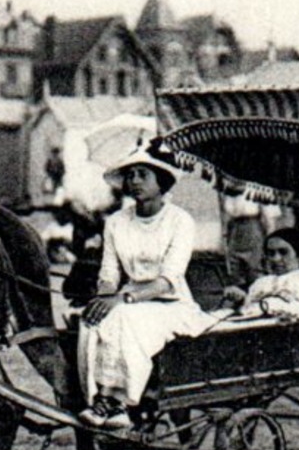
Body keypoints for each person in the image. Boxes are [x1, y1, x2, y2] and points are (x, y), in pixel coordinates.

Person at [77, 145, 211, 429]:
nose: (134, 181)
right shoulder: (116, 222)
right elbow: (109, 272)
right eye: (130, 176)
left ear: (160, 180)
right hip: (128, 301)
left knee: (126, 317)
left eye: (142, 174)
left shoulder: (179, 221)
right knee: (90, 321)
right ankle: (95, 398)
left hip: (172, 305)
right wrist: (103, 298)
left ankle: (118, 402)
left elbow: (169, 280)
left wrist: (123, 299)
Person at [224, 228, 299, 323]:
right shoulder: (261, 282)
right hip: (251, 322)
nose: (276, 259)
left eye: (283, 252)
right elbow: (246, 306)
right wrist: (240, 298)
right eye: (271, 253)